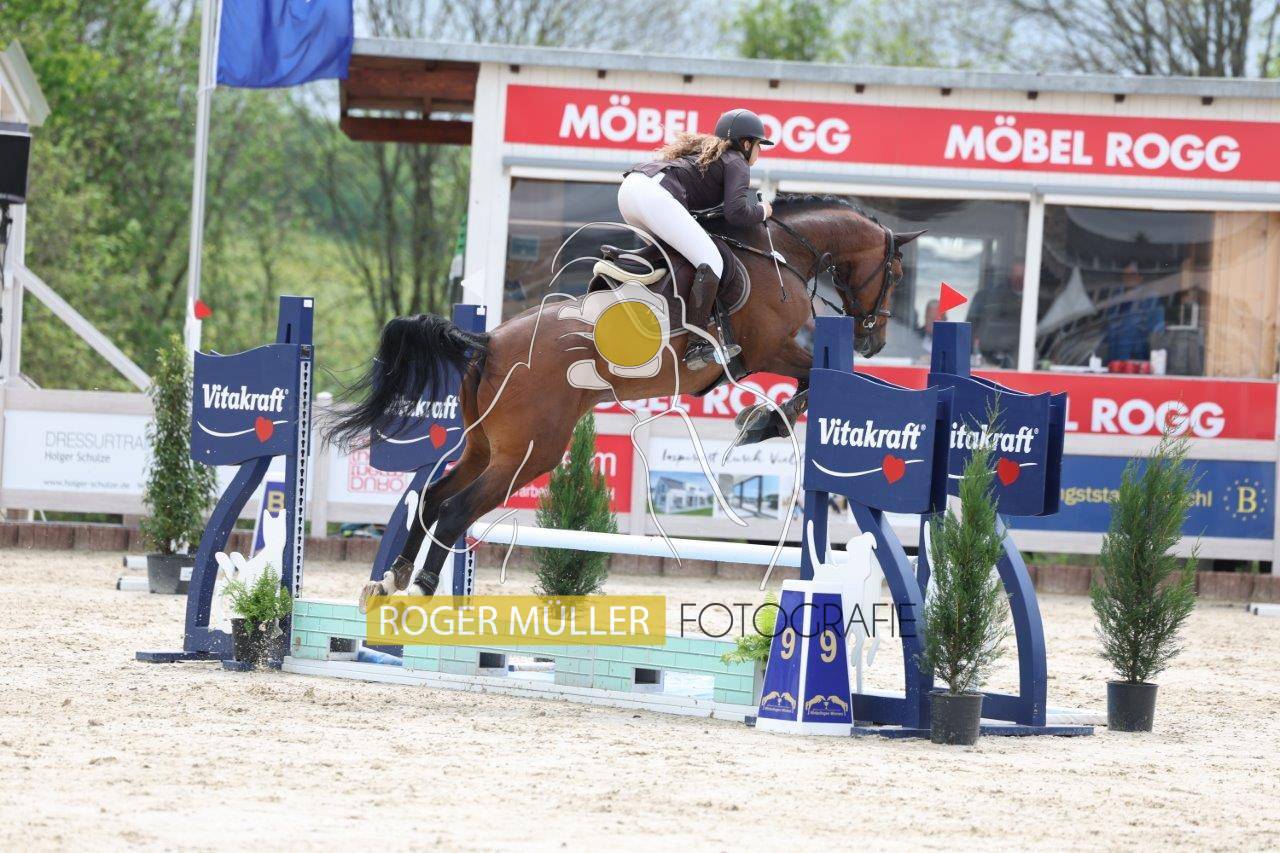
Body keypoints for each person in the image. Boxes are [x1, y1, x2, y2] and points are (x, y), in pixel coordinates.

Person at [618, 108, 774, 369]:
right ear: (746, 144)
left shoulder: (714, 157)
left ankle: (651, 318)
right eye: (759, 145)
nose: (759, 151)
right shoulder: (737, 160)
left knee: (676, 261)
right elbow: (736, 212)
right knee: (711, 260)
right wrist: (762, 211)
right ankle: (696, 344)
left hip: (631, 191)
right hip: (653, 195)